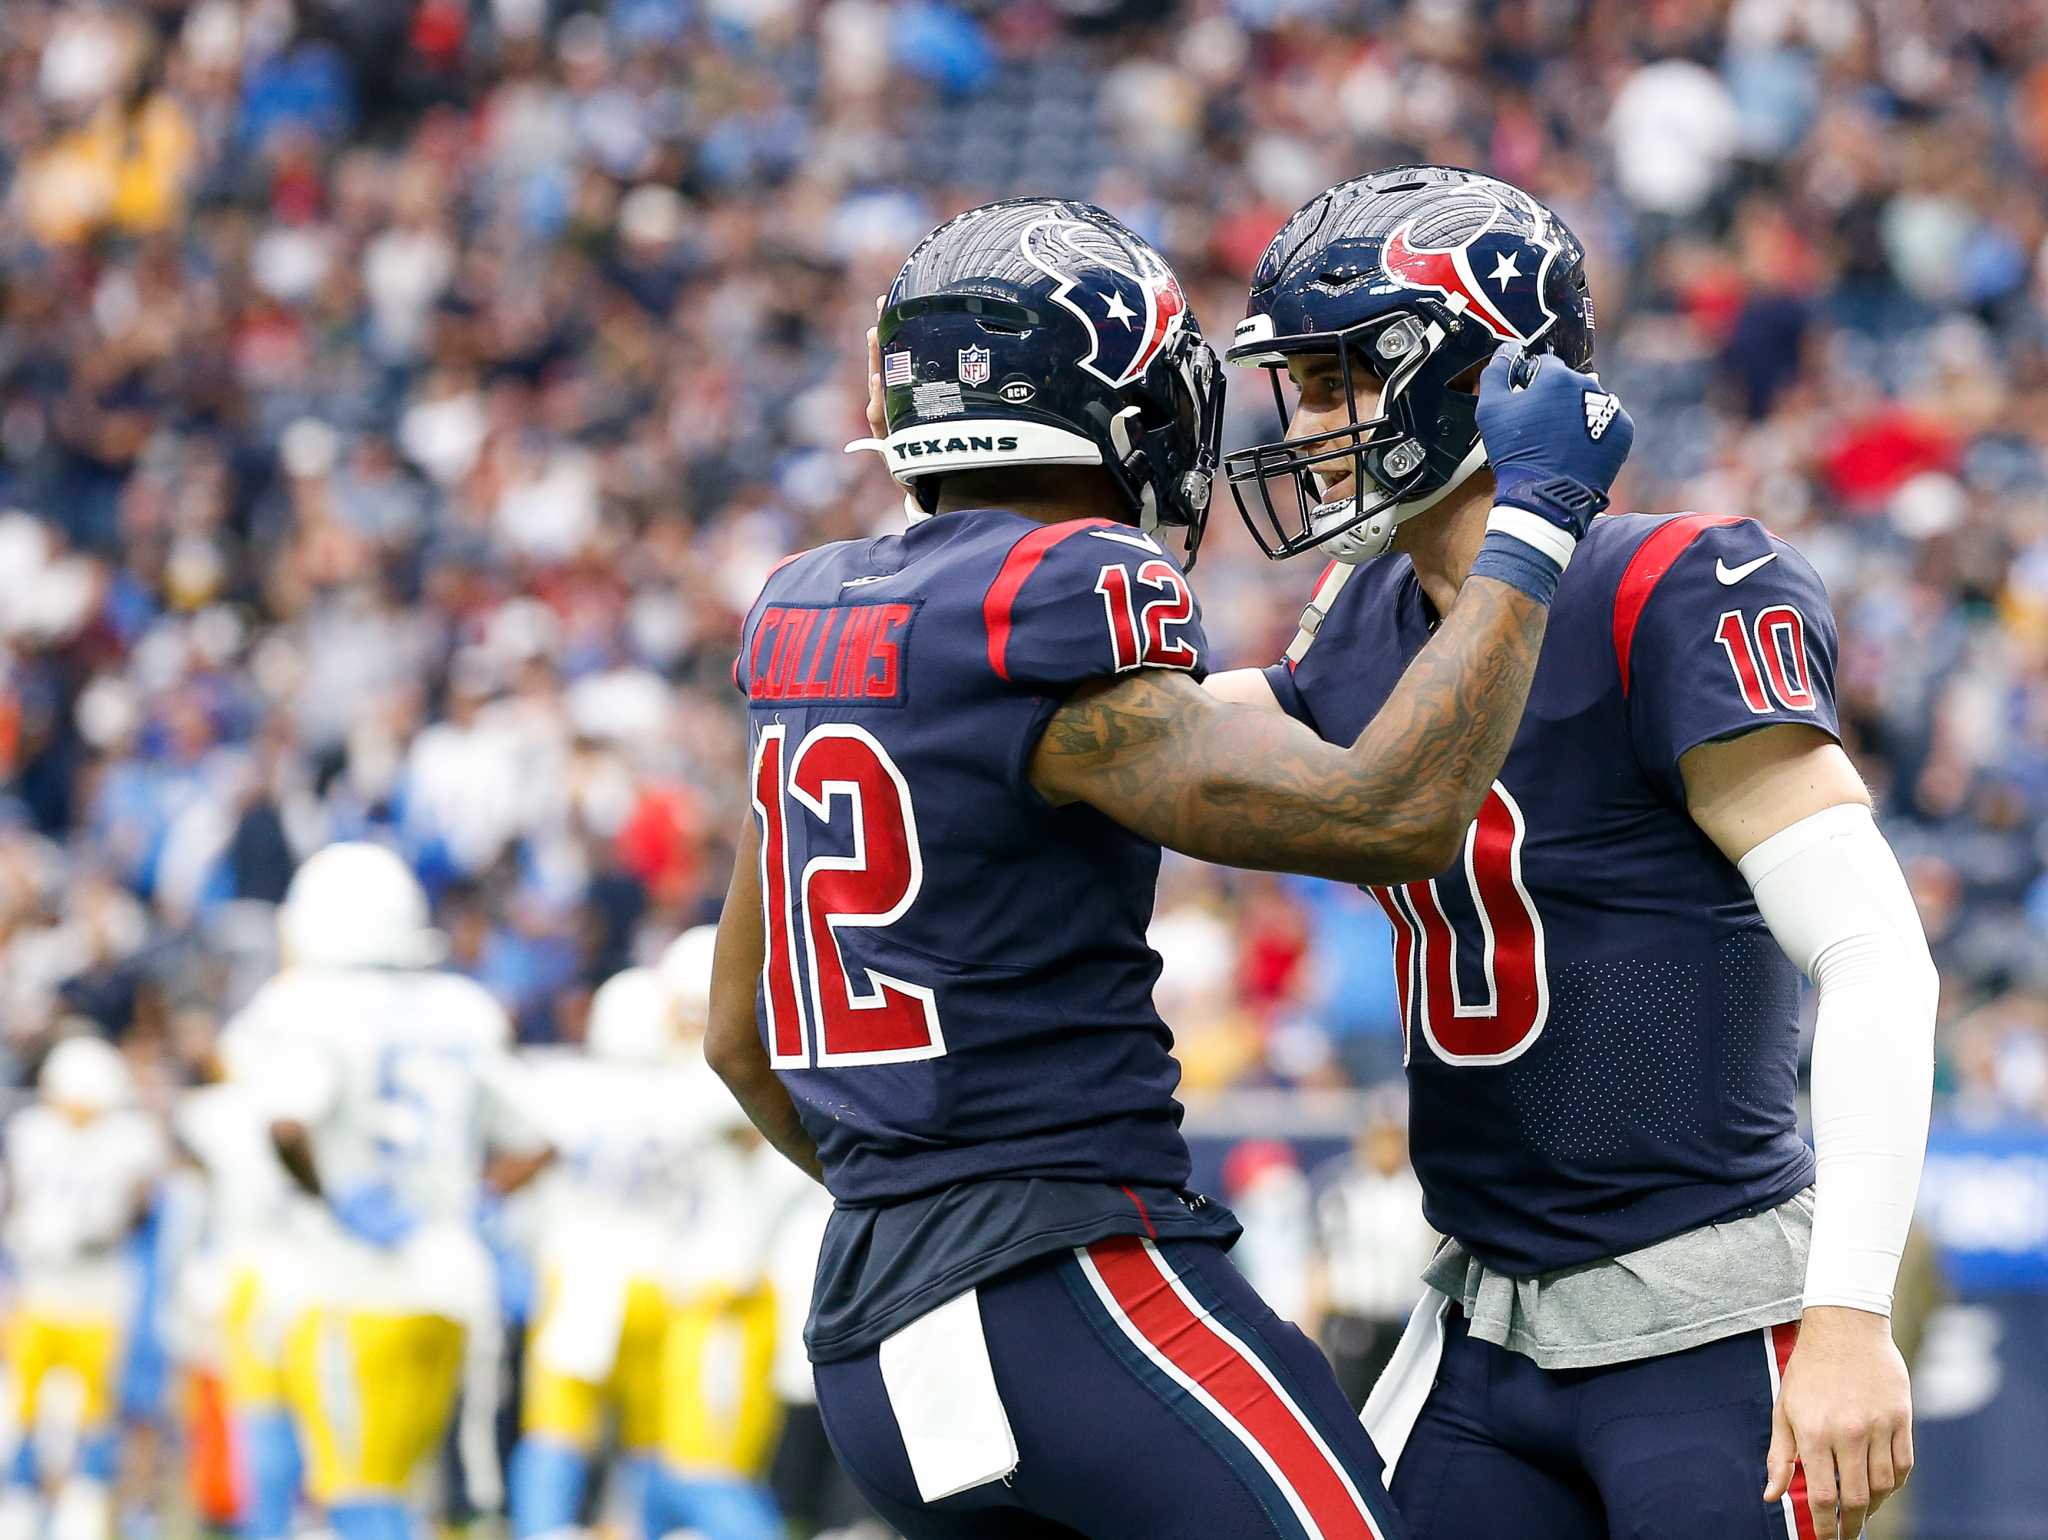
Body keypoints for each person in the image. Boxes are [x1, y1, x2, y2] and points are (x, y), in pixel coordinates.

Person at [703, 194, 1632, 1539]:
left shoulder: (813, 618)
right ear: (1132, 408)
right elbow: (1397, 812)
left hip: (867, 1327)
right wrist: (1536, 522)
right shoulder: (1050, 595)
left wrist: (920, 1200)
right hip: (1068, 1284)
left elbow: (743, 1042)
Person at [1207, 164, 1937, 1540]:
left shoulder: (1668, 585)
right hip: (1483, 1321)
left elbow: (1877, 954)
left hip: (1705, 1318)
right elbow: (1169, 749)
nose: (1303, 426)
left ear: (1478, 374)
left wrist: (1848, 1313)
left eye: (1337, 379)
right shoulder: (1359, 620)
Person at [224, 842, 551, 1540]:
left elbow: (286, 1126)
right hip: (448, 1283)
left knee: (356, 1494)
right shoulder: (462, 1005)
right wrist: (470, 1203)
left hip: (346, 1286)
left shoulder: (302, 1004)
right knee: (415, 1489)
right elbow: (540, 1138)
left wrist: (336, 1198)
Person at [0, 1036, 165, 1540]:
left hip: (101, 1293)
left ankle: (87, 1507)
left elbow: (139, 1215)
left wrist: (95, 1231)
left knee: (95, 1417)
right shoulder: (30, 1131)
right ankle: (21, 1502)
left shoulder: (132, 1137)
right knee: (19, 1411)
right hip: (38, 1287)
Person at [1304, 1091, 1437, 1412]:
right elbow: (1320, 1259)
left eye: (1393, 1138)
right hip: (1354, 1321)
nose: (1387, 1148)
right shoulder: (1341, 1190)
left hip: (1405, 1321)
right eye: (1379, 1138)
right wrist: (1311, 1326)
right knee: (1352, 1412)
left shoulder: (1421, 1194)